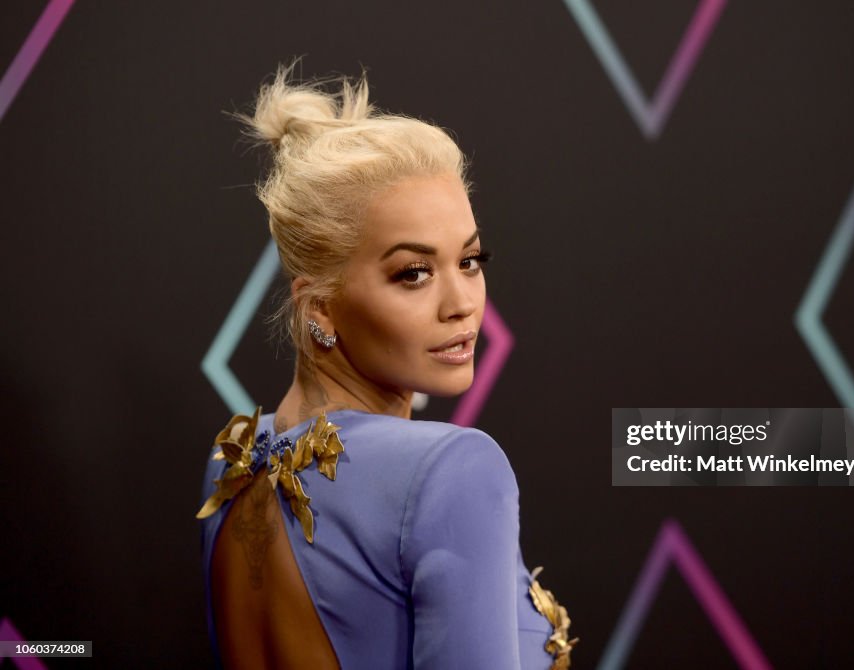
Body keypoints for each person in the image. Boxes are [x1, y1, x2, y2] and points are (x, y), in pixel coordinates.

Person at [196, 62, 576, 669]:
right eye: (414, 273)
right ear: (320, 306)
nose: (462, 304)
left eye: (471, 260)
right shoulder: (454, 471)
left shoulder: (235, 461)